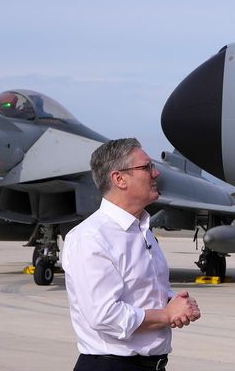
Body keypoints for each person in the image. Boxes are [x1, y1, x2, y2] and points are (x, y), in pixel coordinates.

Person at [62, 138, 201, 371]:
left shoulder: (142, 230)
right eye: (147, 167)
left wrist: (175, 302)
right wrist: (166, 315)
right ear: (119, 179)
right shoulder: (91, 237)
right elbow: (104, 315)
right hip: (111, 365)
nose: (156, 173)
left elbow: (142, 292)